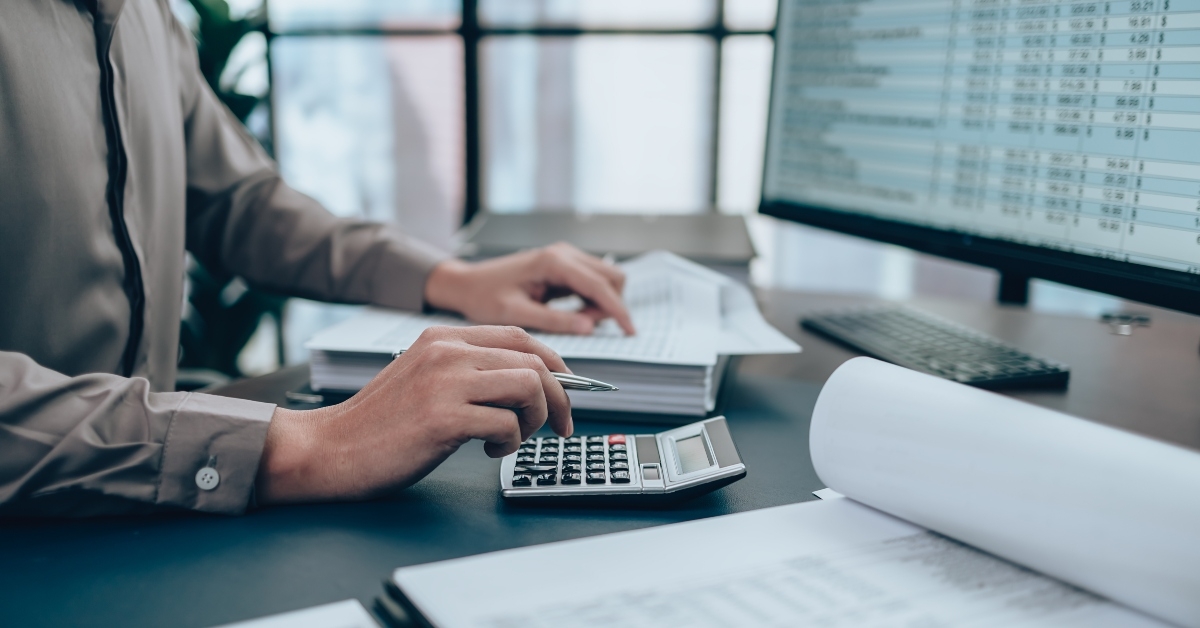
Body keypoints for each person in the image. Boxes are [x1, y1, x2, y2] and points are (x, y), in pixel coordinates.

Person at [0, 0, 635, 517]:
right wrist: (314, 442)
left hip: (150, 523)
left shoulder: (144, 14)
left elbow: (238, 203)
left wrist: (452, 280)